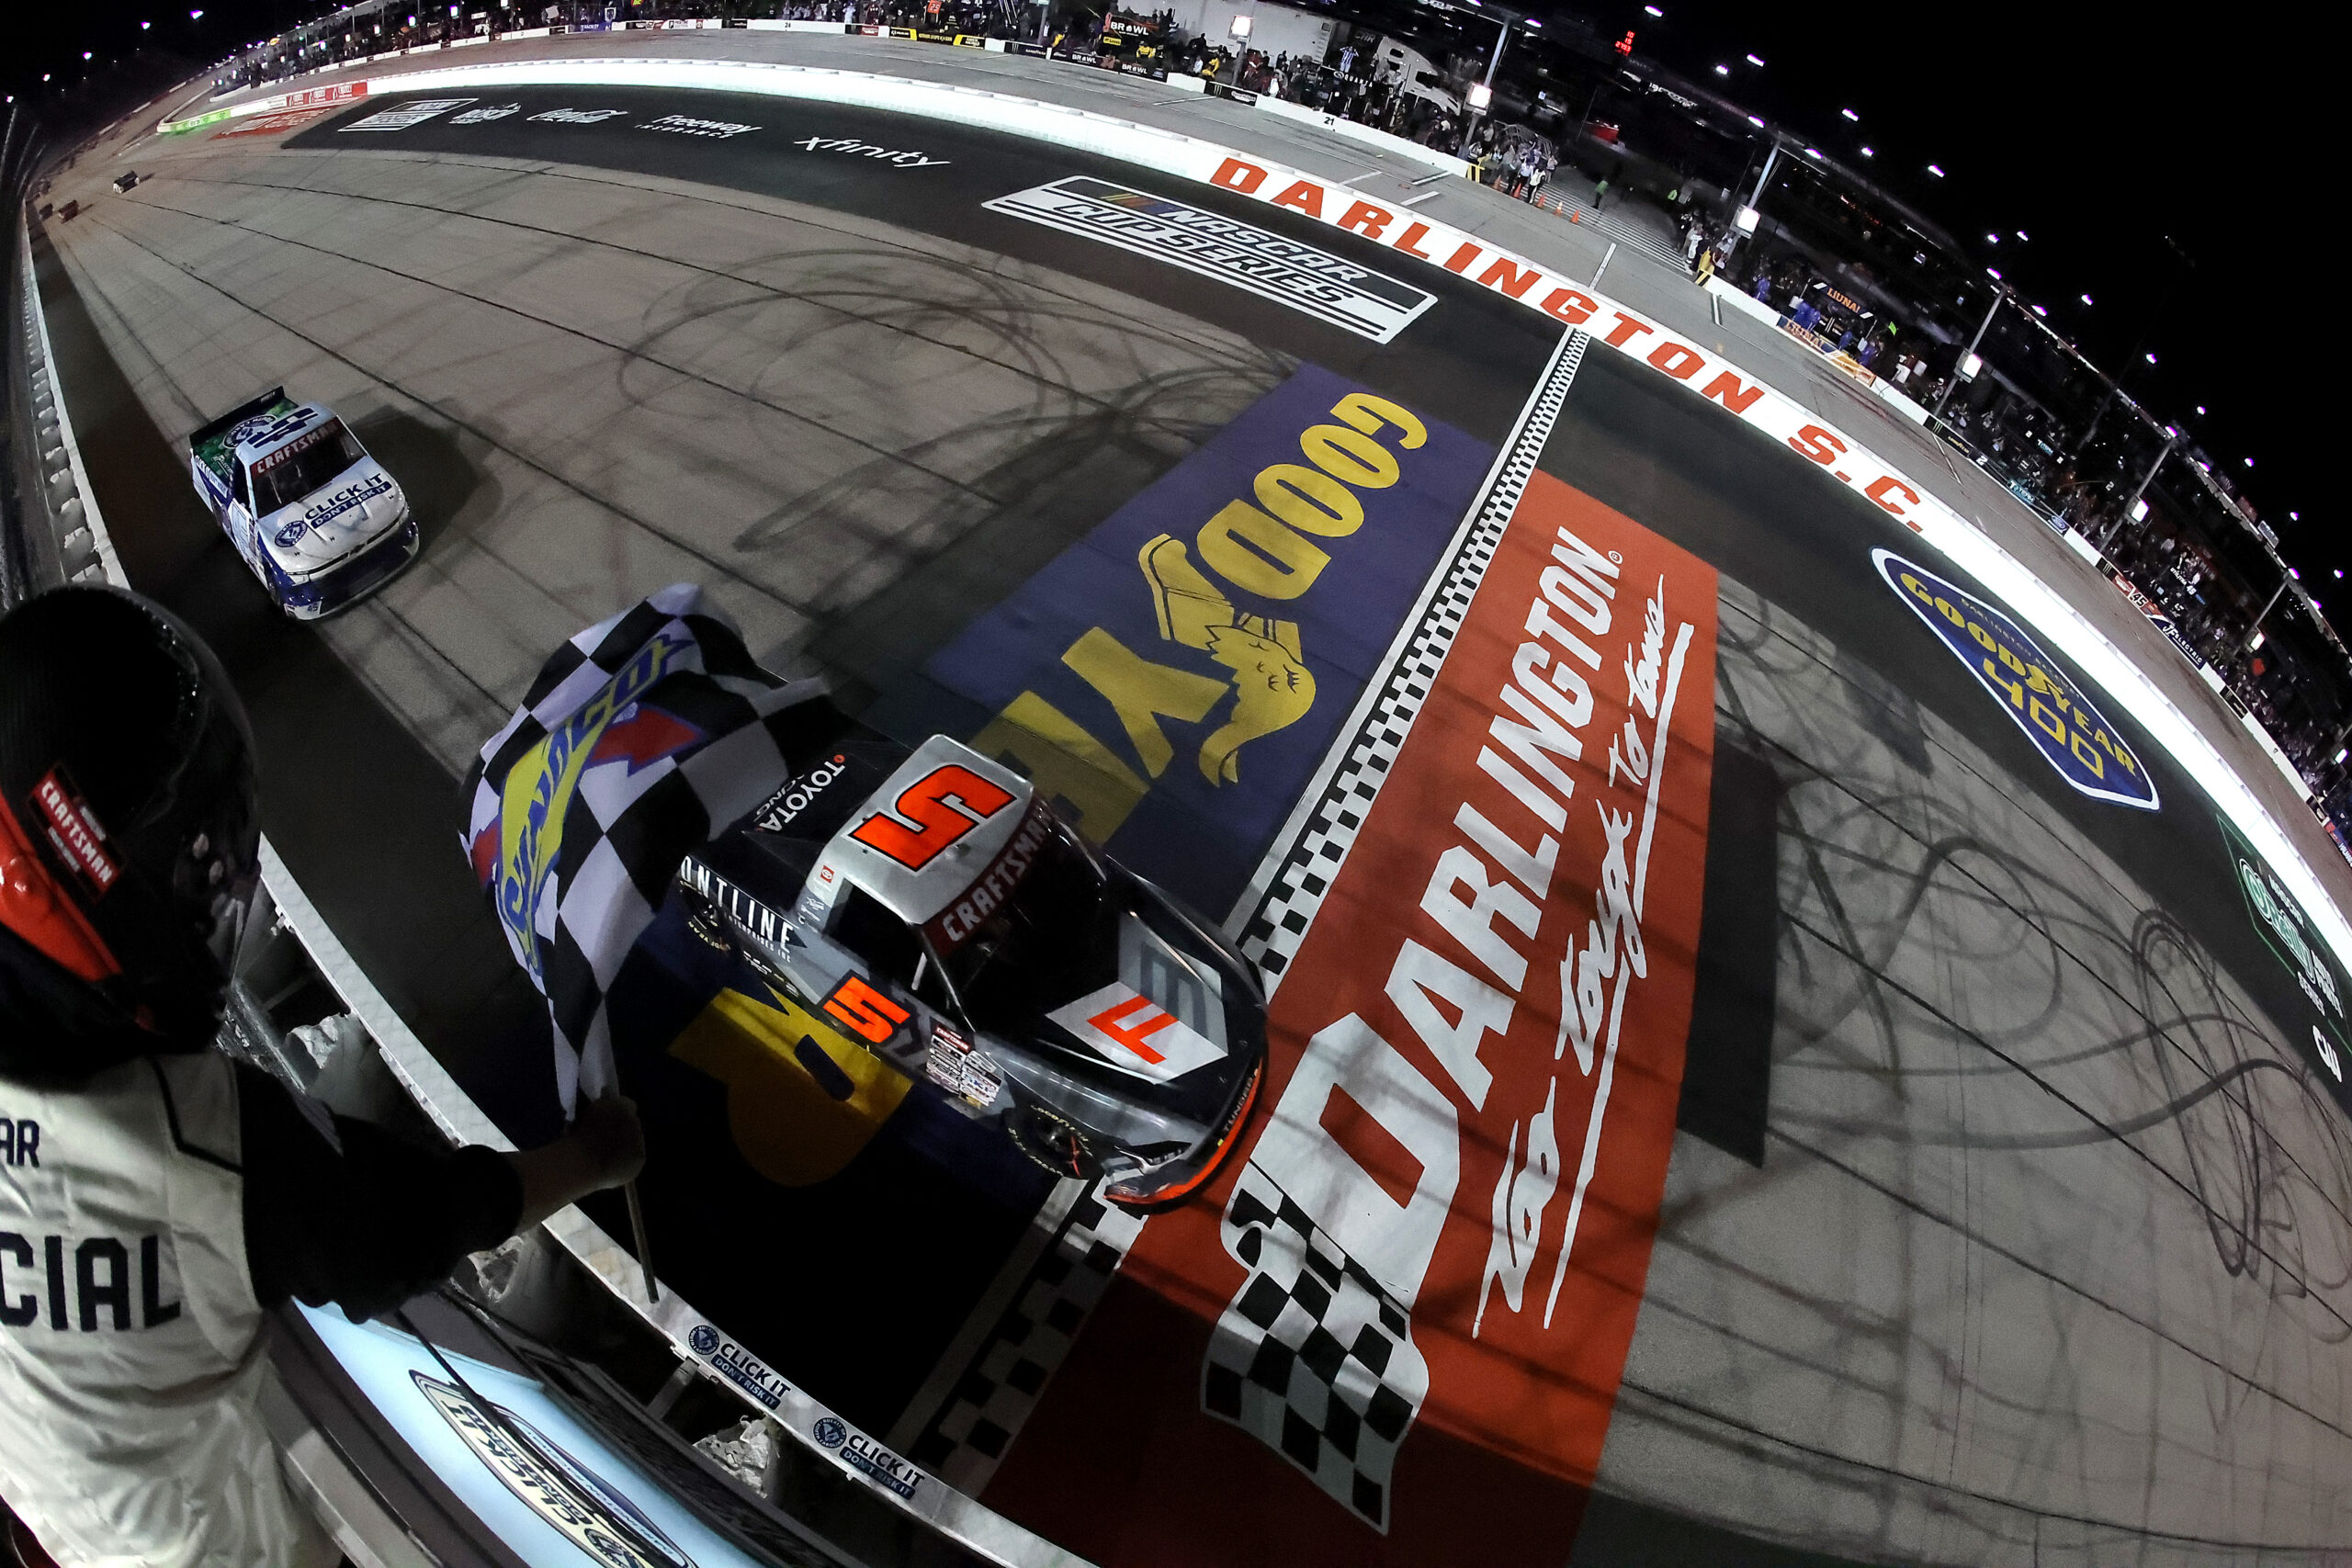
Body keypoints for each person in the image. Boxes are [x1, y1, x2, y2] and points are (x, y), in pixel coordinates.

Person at [0, 586, 646, 1568]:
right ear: (77, 880)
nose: (210, 889)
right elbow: (419, 1225)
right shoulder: (204, 1147)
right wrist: (595, 1156)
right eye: (188, 868)